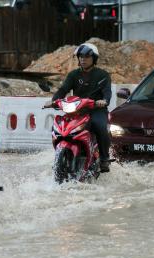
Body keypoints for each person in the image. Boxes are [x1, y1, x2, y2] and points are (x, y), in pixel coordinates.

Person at [50, 43, 112, 172]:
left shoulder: (103, 75)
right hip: (77, 110)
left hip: (96, 110)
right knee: (61, 127)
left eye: (87, 57)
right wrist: (54, 100)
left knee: (100, 126)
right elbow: (63, 89)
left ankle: (105, 159)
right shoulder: (73, 75)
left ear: (94, 59)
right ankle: (60, 155)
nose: (83, 59)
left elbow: (107, 92)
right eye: (81, 57)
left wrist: (104, 101)